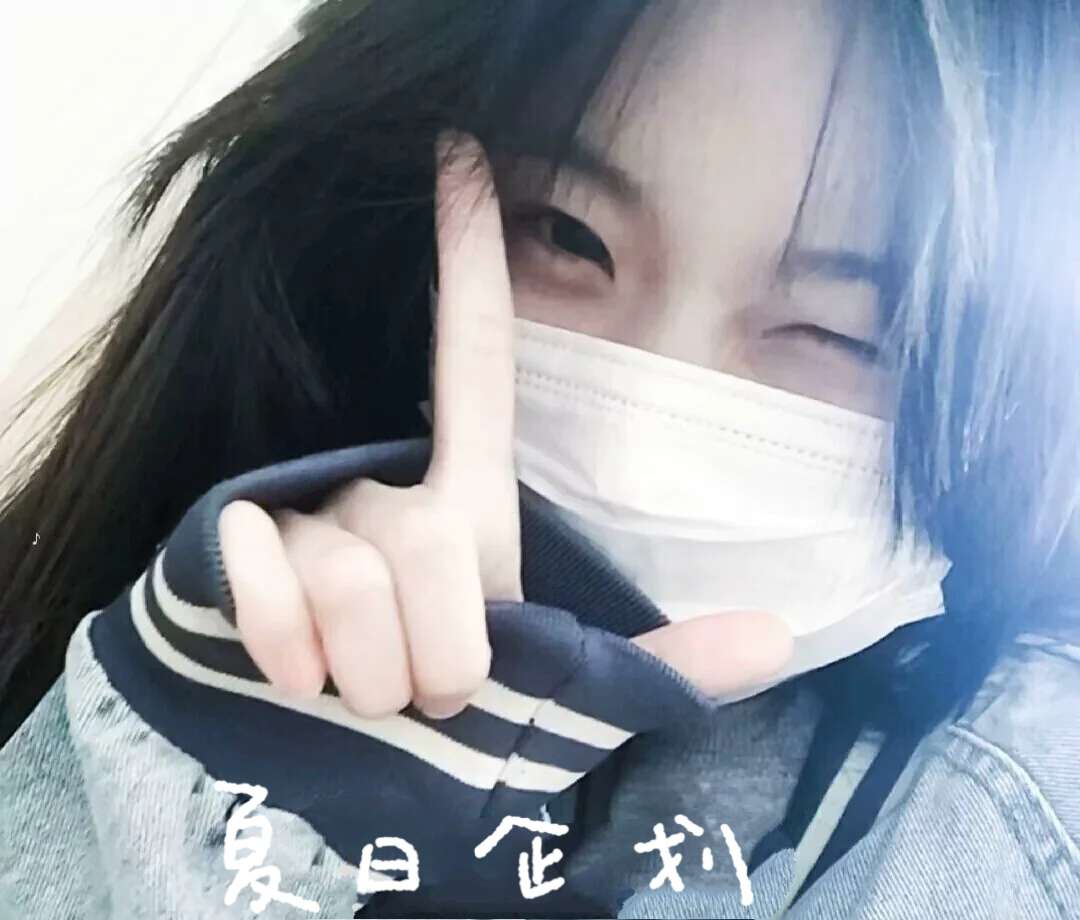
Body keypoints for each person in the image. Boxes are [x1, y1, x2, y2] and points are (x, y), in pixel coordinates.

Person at [1, 0, 1078, 917]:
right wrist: (224, 794)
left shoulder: (1012, 799)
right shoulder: (195, 568)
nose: (637, 451)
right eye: (566, 234)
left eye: (844, 335)